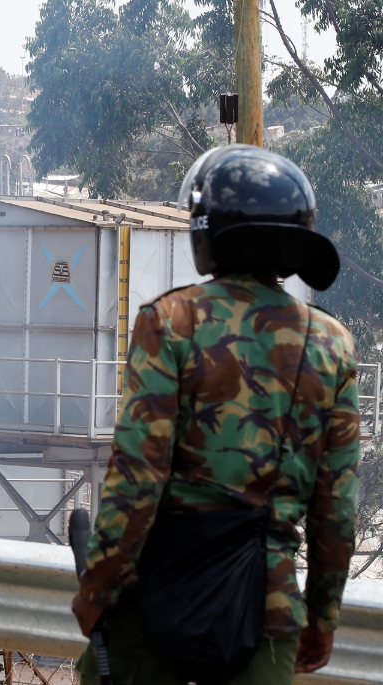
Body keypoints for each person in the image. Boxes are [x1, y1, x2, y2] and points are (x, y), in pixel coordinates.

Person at [73, 146, 359, 684]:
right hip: (266, 610)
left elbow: (137, 477)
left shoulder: (172, 320)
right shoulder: (333, 344)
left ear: (208, 231)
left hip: (154, 602)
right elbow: (335, 507)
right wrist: (321, 617)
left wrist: (98, 589)